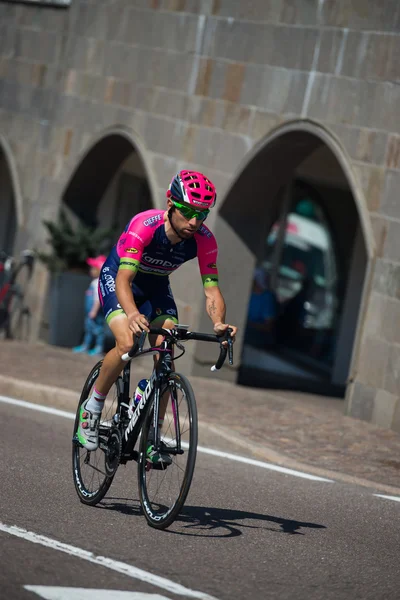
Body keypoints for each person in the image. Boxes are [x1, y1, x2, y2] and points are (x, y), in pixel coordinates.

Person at [75, 170, 238, 465]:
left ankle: (152, 438)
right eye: (188, 212)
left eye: (202, 215)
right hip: (120, 280)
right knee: (126, 343)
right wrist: (134, 313)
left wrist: (218, 323)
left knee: (166, 351)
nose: (194, 222)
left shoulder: (203, 239)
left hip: (156, 287)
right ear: (171, 204)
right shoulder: (145, 226)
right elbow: (124, 279)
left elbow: (212, 290)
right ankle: (93, 405)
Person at [73, 255, 107, 357]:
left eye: (94, 268)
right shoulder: (94, 282)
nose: (91, 270)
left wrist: (94, 311)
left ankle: (98, 348)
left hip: (95, 313)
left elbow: (97, 300)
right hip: (91, 313)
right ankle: (86, 345)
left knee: (98, 330)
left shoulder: (98, 283)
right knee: (89, 329)